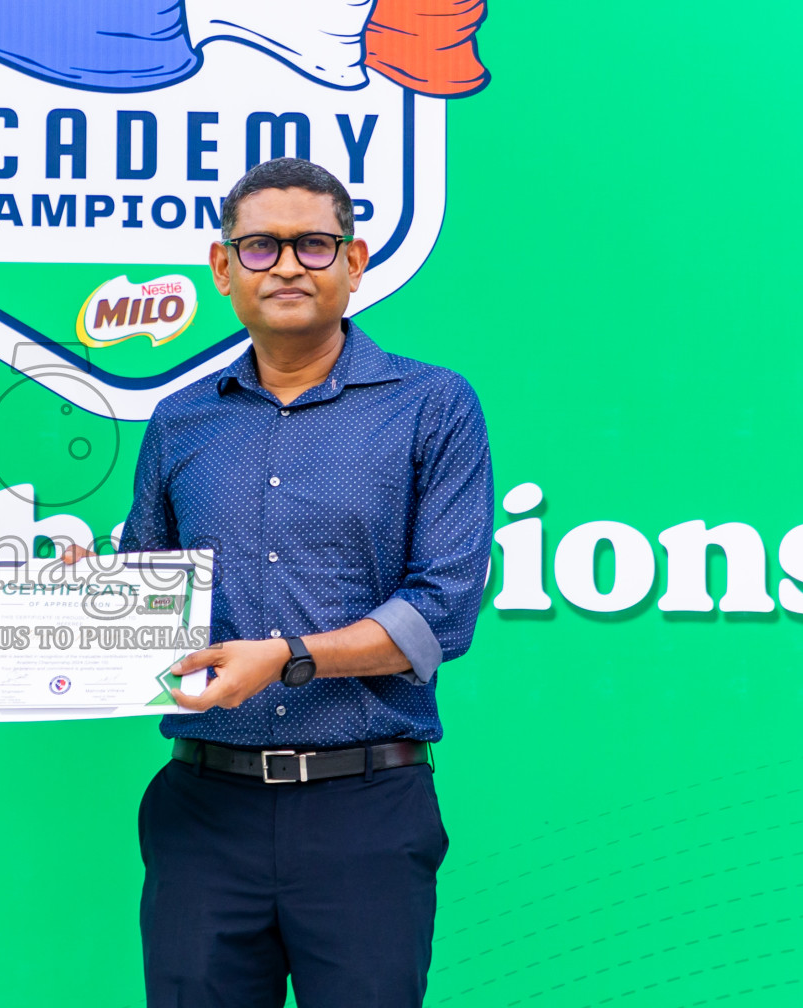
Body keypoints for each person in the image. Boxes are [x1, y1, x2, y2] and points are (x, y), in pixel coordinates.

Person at [114, 157, 493, 1007]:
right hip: (204, 812)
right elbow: (150, 593)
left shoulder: (432, 407)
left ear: (355, 263)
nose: (287, 265)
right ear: (223, 268)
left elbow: (442, 612)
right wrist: (85, 594)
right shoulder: (180, 421)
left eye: (314, 244)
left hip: (366, 809)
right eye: (260, 247)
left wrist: (288, 658)